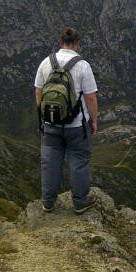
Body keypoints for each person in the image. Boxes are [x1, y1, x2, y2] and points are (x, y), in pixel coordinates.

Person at [34, 27, 99, 214]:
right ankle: (80, 202)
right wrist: (93, 120)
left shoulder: (46, 63)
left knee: (50, 162)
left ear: (60, 42)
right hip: (77, 125)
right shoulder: (82, 65)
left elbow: (38, 91)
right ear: (77, 44)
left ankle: (48, 203)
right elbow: (91, 97)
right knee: (79, 161)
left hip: (51, 124)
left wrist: (44, 115)